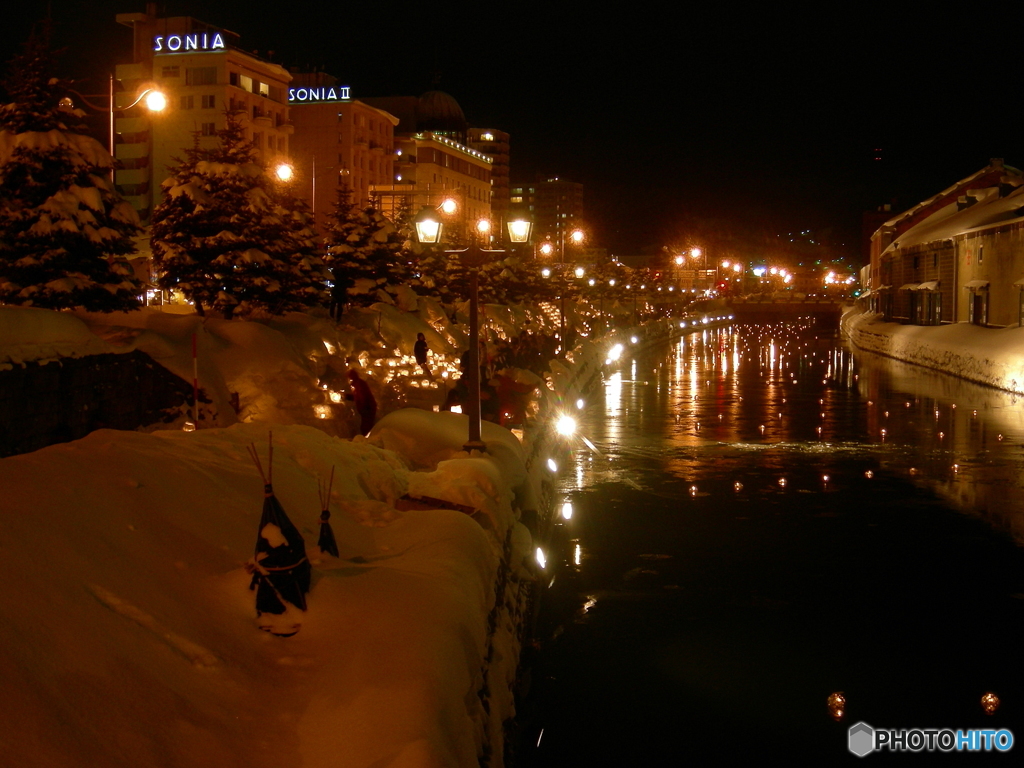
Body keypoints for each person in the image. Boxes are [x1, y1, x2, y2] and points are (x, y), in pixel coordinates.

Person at [346, 369, 377, 436]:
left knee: (367, 426)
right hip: (367, 407)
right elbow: (357, 397)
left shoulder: (359, 384)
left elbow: (363, 396)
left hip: (368, 408)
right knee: (366, 425)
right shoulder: (358, 384)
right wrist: (348, 397)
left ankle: (368, 439)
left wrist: (363, 407)